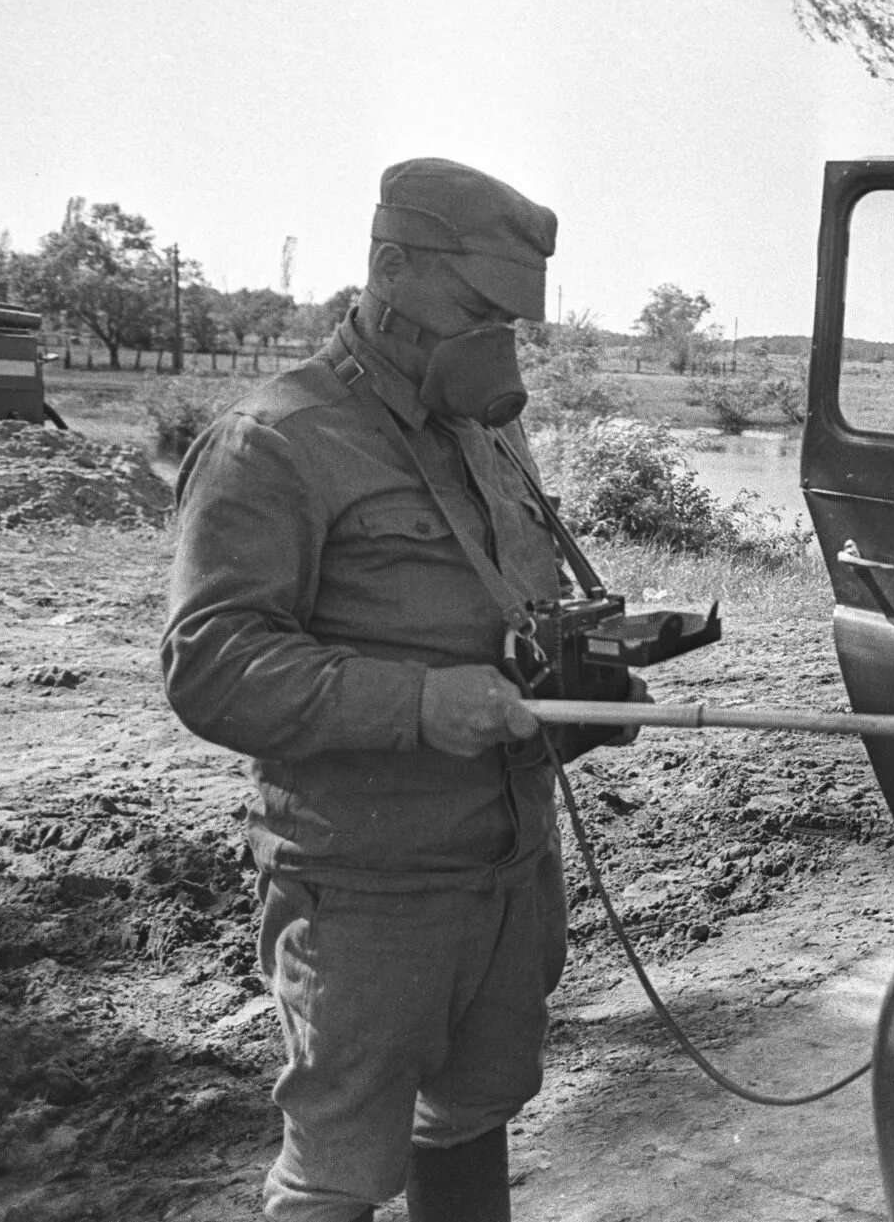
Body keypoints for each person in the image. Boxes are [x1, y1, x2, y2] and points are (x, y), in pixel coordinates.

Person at [163, 159, 602, 1222]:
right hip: (367, 887)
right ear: (390, 269)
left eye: (512, 319)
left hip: (502, 858)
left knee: (469, 1111)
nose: (494, 342)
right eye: (475, 308)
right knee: (341, 1170)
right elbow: (209, 661)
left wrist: (582, 675)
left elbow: (500, 604)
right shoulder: (275, 439)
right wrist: (417, 703)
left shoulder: (487, 431)